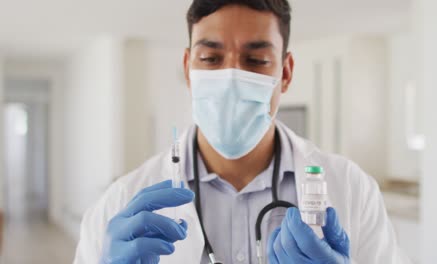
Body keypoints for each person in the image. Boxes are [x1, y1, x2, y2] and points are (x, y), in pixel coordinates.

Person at [74, 0, 412, 263]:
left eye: (255, 60)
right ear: (188, 69)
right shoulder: (121, 202)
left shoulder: (352, 189)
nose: (231, 78)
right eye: (210, 58)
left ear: (286, 72)